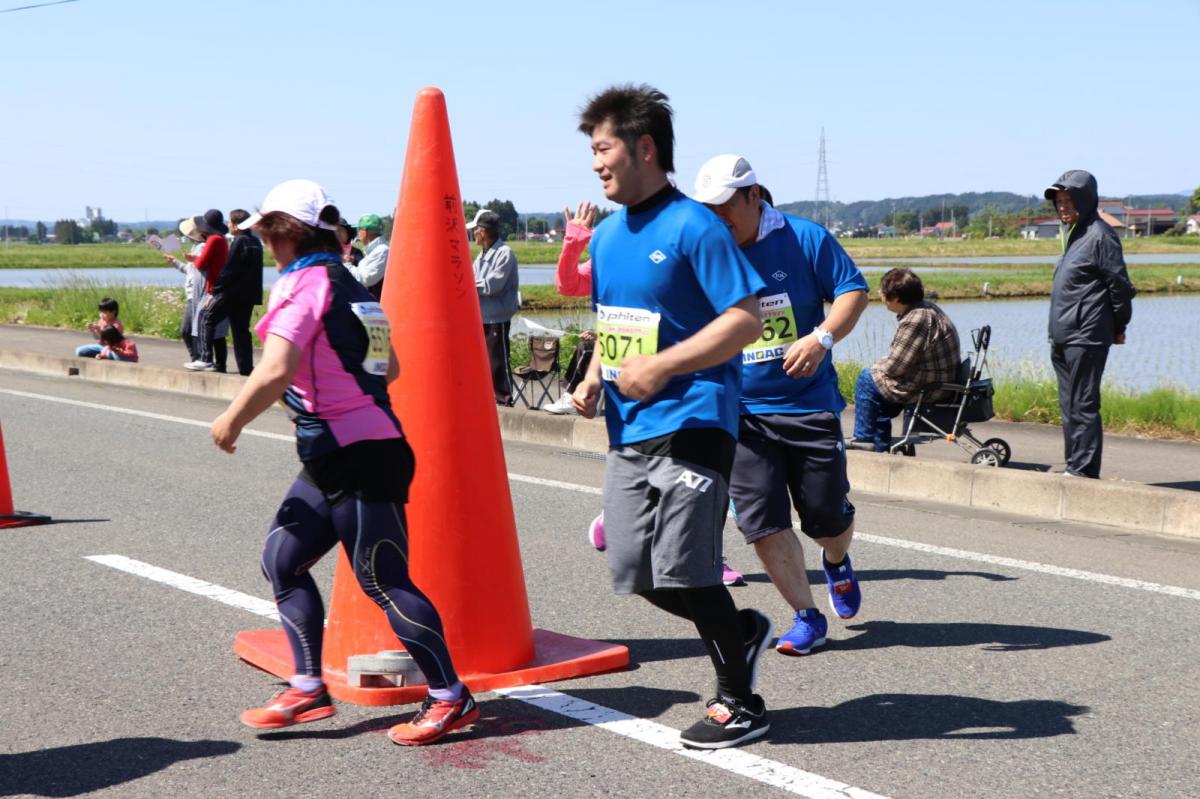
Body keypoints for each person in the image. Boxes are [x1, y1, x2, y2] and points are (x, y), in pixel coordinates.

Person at [209, 179, 477, 745]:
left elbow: (275, 368)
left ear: (286, 232)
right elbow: (390, 368)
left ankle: (450, 696)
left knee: (384, 580)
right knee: (282, 560)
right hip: (344, 451)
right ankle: (308, 686)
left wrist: (231, 419)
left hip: (359, 456)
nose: (267, 246)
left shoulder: (300, 284)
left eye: (268, 233)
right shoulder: (354, 286)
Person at [571, 84, 773, 750]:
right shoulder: (606, 237)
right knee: (635, 569)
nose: (596, 163)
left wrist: (664, 366)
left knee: (688, 567)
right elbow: (614, 322)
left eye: (603, 148)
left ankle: (740, 701)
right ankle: (740, 630)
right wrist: (593, 376)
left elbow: (745, 320)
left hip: (696, 417)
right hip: (628, 429)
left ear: (645, 148)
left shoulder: (695, 226)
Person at [692, 154, 870, 657]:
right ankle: (807, 616)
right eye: (708, 210)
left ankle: (836, 559)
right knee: (763, 523)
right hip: (742, 412)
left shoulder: (805, 238)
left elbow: (853, 291)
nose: (718, 218)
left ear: (754, 195)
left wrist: (821, 338)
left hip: (807, 404)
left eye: (725, 207)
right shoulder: (705, 252)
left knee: (826, 519)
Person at [1044, 170, 1135, 478]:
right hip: (1063, 334)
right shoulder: (1075, 235)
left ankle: (1083, 470)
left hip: (1086, 334)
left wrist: (1119, 325)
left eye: (1069, 200)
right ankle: (1074, 465)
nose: (1063, 207)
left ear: (1085, 200)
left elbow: (1119, 287)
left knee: (1082, 403)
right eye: (1059, 202)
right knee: (1068, 404)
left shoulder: (1100, 235)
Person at [852, 268, 961, 454]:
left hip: (930, 387)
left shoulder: (916, 320)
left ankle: (864, 438)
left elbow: (895, 367)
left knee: (866, 379)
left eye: (883, 291)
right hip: (936, 380)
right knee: (877, 387)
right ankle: (880, 447)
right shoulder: (926, 308)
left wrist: (876, 367)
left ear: (896, 297)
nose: (880, 295)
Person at [201, 209, 264, 376]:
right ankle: (246, 368)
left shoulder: (239, 241)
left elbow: (229, 270)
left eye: (230, 222)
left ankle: (206, 359)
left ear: (236, 225)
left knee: (207, 318)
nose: (228, 225)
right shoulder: (256, 242)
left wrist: (215, 291)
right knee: (241, 330)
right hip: (249, 295)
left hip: (232, 293)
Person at [469, 209, 519, 406]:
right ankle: (488, 399)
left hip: (497, 317)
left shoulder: (505, 253)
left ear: (482, 232)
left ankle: (504, 400)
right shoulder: (482, 255)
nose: (473, 234)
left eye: (475, 230)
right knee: (484, 361)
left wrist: (466, 285)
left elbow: (493, 285)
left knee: (498, 361)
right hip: (483, 316)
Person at [186, 209, 230, 372]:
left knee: (203, 319)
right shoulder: (222, 239)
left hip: (213, 287)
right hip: (221, 286)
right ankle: (220, 364)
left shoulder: (213, 240)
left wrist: (195, 259)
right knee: (217, 328)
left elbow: (201, 264)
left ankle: (205, 359)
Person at [166, 219, 207, 363]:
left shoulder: (202, 247)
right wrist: (175, 262)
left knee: (187, 330)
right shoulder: (196, 247)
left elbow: (200, 270)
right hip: (192, 293)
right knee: (191, 330)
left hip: (197, 294)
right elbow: (190, 271)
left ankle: (199, 359)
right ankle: (198, 358)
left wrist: (194, 260)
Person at [348, 213, 388, 299]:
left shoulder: (382, 251)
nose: (358, 233)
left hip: (378, 304)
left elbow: (364, 279)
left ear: (365, 232)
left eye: (359, 230)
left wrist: (346, 265)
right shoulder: (375, 250)